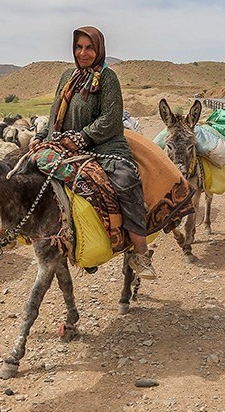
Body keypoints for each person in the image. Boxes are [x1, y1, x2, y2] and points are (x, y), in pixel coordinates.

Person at [29, 26, 156, 279]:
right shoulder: (68, 75)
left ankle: (139, 253)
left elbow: (110, 120)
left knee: (126, 181)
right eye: (79, 47)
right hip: (64, 143)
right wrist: (42, 137)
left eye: (89, 47)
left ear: (99, 50)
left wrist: (83, 137)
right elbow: (56, 113)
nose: (83, 53)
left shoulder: (108, 78)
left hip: (104, 147)